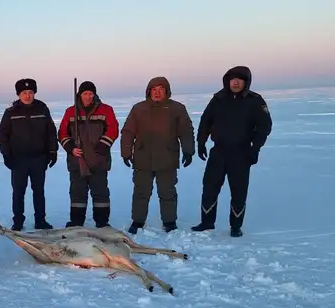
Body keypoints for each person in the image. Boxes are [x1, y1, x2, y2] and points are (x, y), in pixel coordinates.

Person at [191, 65, 273, 237]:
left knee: (239, 190)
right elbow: (205, 121)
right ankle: (207, 222)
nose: (235, 82)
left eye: (239, 79)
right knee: (210, 187)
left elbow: (264, 126)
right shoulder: (218, 99)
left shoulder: (255, 101)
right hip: (218, 151)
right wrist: (201, 143)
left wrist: (255, 148)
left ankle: (235, 226)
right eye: (232, 79)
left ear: (246, 82)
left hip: (241, 153)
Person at [119, 77, 195, 234]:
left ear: (167, 92)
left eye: (161, 89)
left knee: (167, 191)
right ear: (149, 91)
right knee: (141, 191)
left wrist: (188, 150)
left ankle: (169, 221)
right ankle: (138, 221)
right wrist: (126, 152)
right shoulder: (138, 109)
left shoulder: (177, 109)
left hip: (167, 157)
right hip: (143, 157)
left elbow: (186, 131)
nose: (157, 92)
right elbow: (128, 131)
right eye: (154, 89)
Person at [0, 78, 59, 231]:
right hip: (18, 160)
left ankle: (40, 220)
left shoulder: (42, 109)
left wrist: (52, 151)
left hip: (39, 158)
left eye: (30, 92)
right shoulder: (11, 112)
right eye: (24, 93)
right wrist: (7, 155)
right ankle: (18, 221)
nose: (27, 96)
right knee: (18, 192)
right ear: (19, 94)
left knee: (39, 191)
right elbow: (2, 136)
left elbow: (51, 132)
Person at [57, 81, 119, 228]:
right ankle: (77, 223)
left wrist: (103, 145)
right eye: (85, 93)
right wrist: (71, 148)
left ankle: (102, 223)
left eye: (91, 93)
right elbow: (62, 133)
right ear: (80, 95)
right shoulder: (70, 112)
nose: (88, 96)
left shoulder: (106, 110)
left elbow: (113, 129)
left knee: (100, 193)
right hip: (77, 161)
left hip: (99, 160)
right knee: (77, 193)